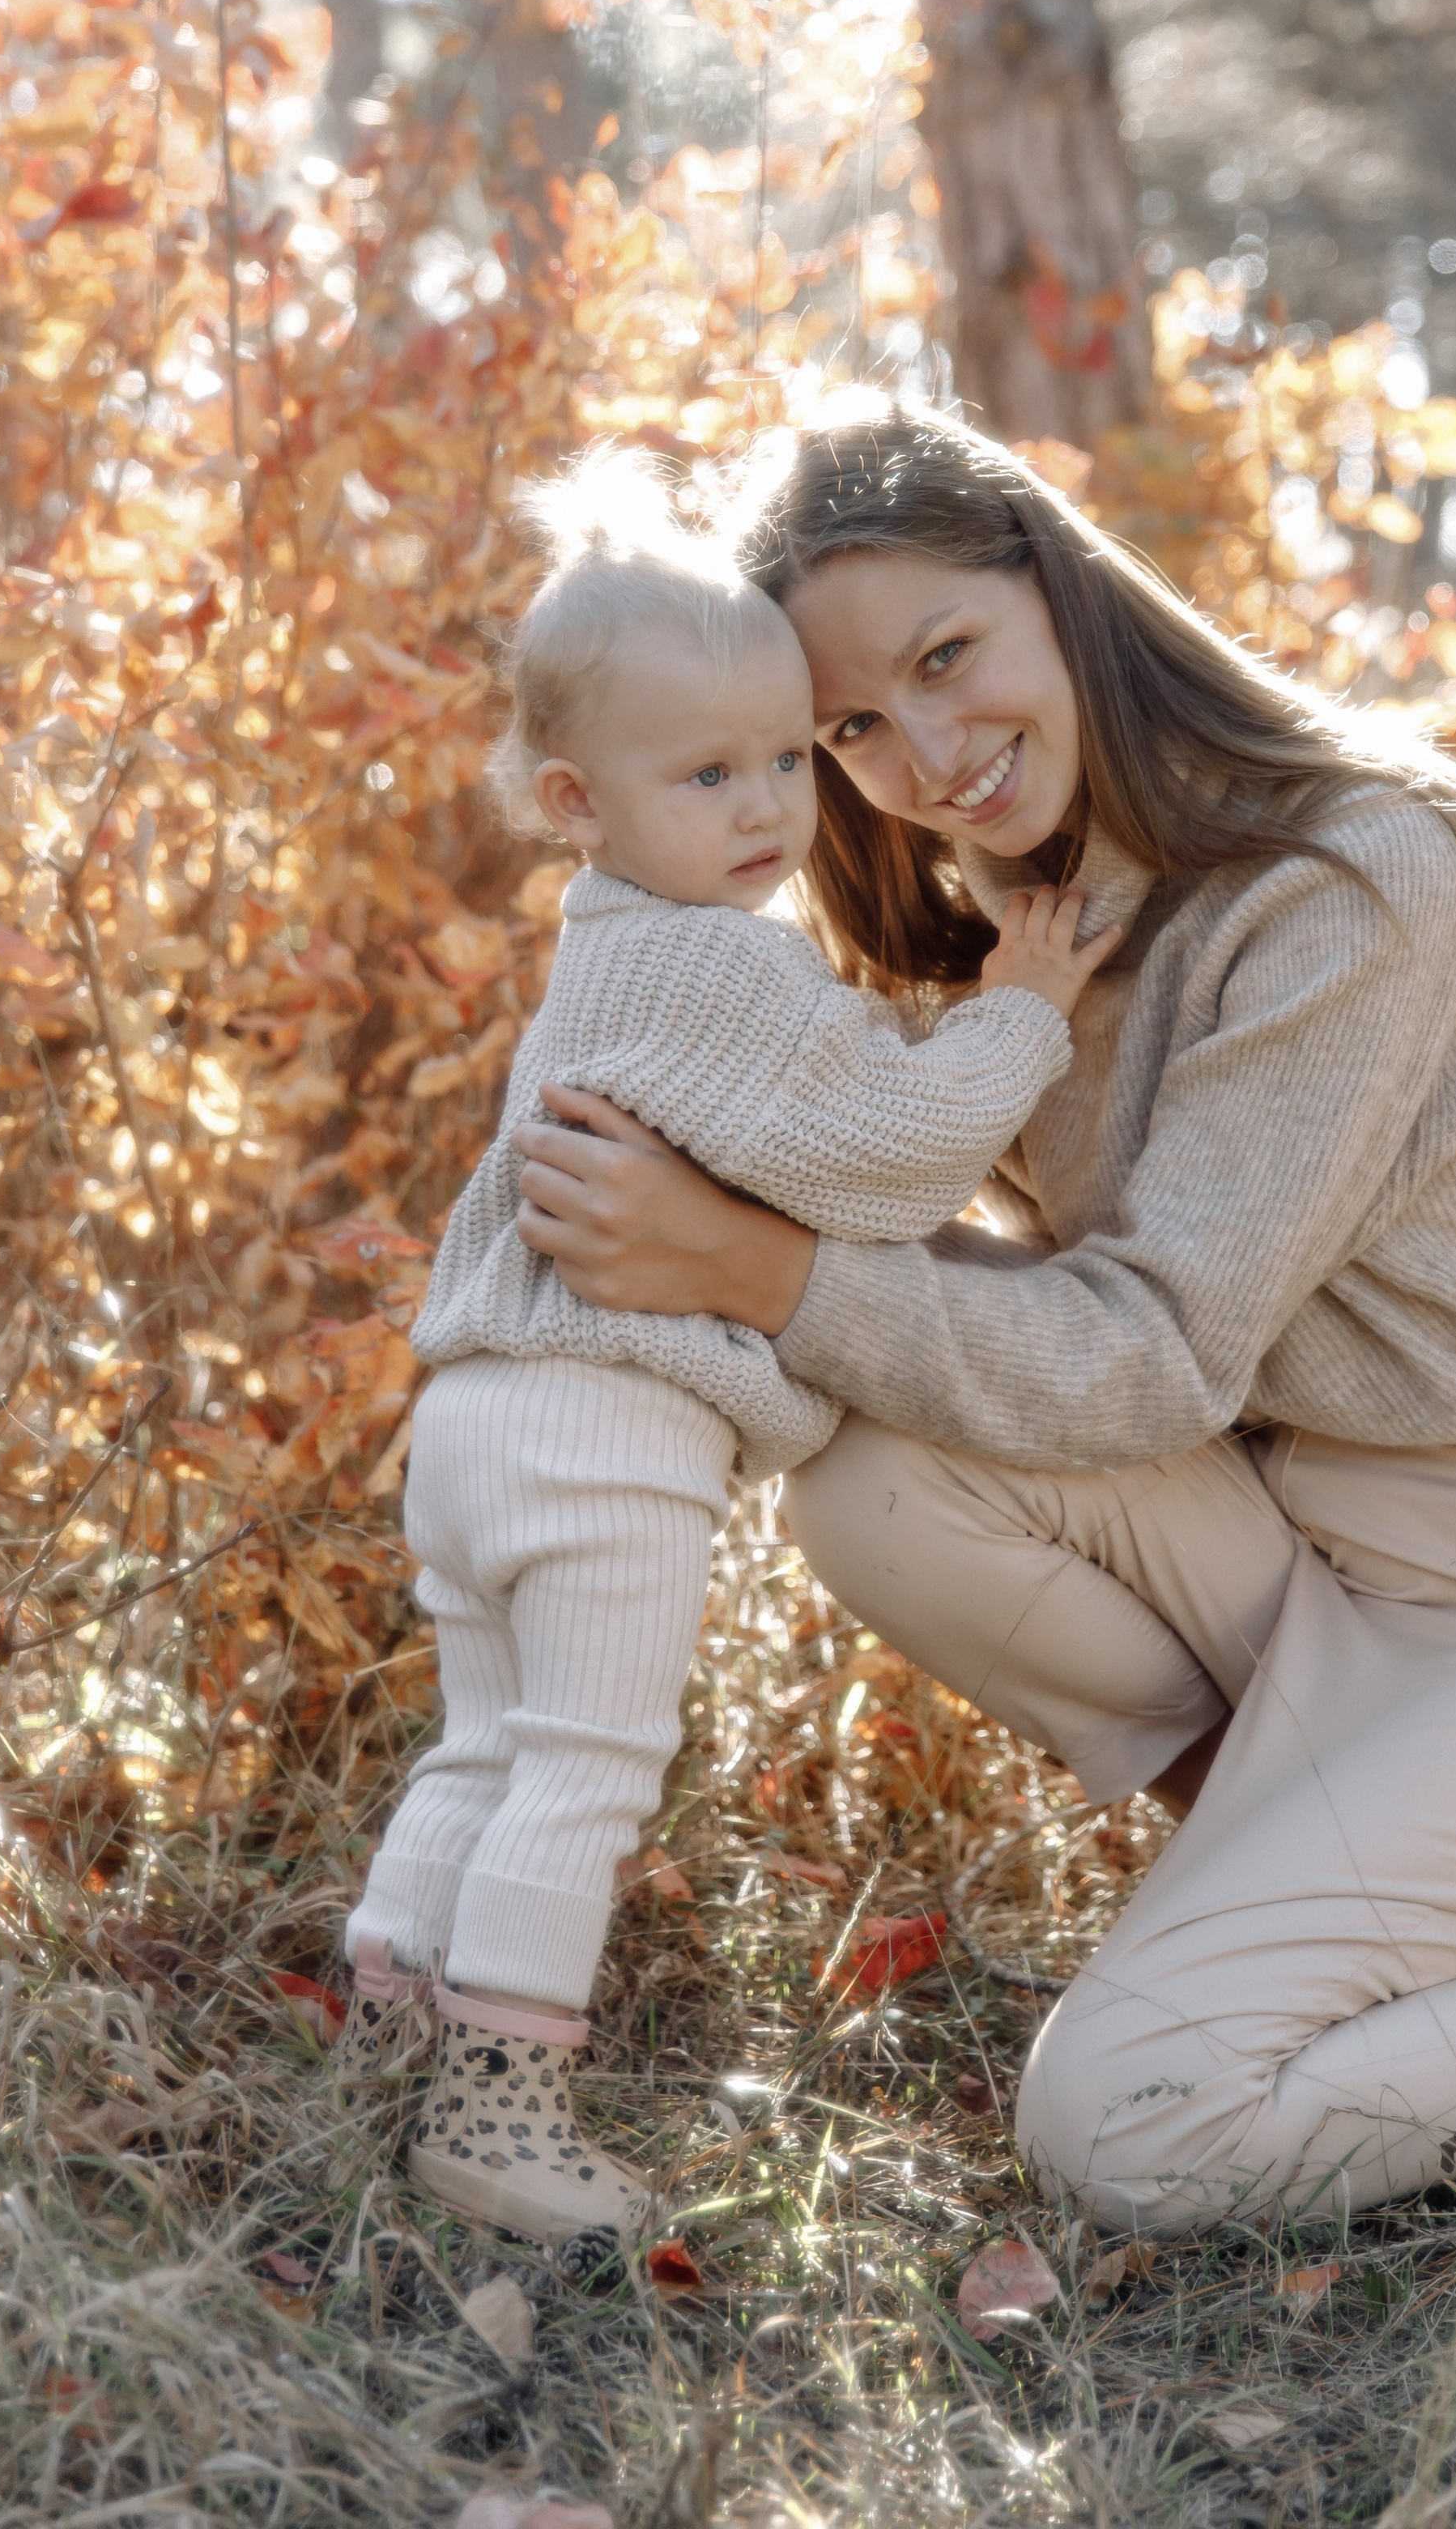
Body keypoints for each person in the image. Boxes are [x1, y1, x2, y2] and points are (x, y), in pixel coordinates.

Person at [511, 403, 1456, 2233]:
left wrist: (746, 1267)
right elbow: (936, 1283)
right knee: (868, 1476)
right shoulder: (1036, 908)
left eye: (948, 658)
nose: (923, 756)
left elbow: (1148, 1353)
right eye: (852, 727)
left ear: (1058, 588)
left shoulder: (1353, 877)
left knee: (1135, 2120)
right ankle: (1314, 1884)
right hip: (1310, 1550)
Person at [341, 445, 1118, 2249]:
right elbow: (873, 1157)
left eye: (787, 757)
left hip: (477, 1425)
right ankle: (498, 2109)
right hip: (605, 1440)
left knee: (482, 1746)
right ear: (570, 799)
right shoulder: (717, 966)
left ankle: (389, 2024)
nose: (768, 808)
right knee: (586, 1770)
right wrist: (1015, 1025)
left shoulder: (606, 942)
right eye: (707, 774)